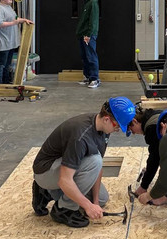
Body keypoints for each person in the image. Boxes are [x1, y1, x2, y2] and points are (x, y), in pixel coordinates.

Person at [31, 96, 136, 227]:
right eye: (118, 126)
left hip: (61, 169)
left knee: (102, 198)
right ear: (107, 119)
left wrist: (95, 203)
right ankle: (64, 210)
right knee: (95, 161)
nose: (118, 130)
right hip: (46, 172)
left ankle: (48, 192)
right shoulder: (80, 137)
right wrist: (88, 206)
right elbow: (65, 180)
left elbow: (98, 168)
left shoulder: (103, 129)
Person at [0, 0, 32, 84]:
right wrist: (14, 23)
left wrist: (24, 20)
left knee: (7, 64)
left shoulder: (8, 7)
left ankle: (5, 83)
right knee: (0, 65)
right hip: (3, 43)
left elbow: (15, 19)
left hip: (10, 42)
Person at [76, 0, 100, 89]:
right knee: (85, 56)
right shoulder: (87, 3)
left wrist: (88, 34)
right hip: (83, 34)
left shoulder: (93, 3)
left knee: (91, 56)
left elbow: (93, 21)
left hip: (88, 35)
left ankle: (94, 79)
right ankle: (88, 77)